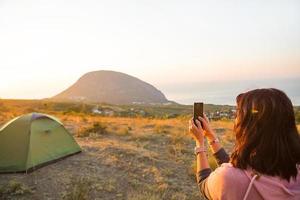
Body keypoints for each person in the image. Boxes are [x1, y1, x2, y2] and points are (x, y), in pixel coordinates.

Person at [189, 88, 300, 200]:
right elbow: (241, 173)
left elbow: (204, 183)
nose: (235, 120)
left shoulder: (229, 179)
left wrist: (200, 143)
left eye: (238, 114)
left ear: (249, 126)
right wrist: (210, 136)